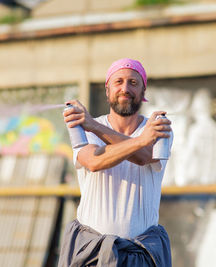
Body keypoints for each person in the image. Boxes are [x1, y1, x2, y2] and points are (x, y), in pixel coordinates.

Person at [59, 58, 173, 267]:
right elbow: (93, 161)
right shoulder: (84, 127)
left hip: (140, 252)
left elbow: (144, 156)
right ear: (107, 90)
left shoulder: (158, 128)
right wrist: (93, 125)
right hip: (91, 251)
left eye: (133, 82)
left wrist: (93, 125)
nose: (125, 88)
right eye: (118, 81)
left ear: (143, 91)